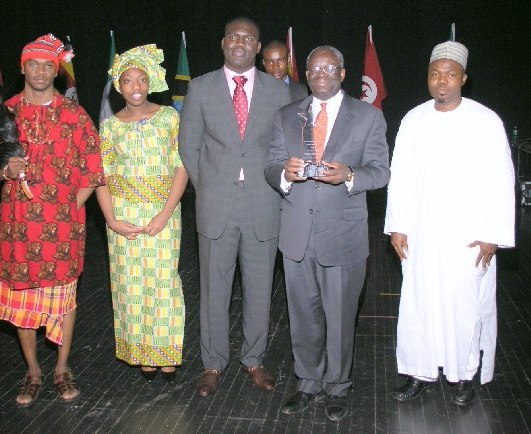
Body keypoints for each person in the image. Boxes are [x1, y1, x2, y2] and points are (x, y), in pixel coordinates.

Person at [384, 41, 515, 406]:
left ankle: (463, 376)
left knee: (464, 306)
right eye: (435, 74)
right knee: (419, 303)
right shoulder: (414, 119)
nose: (442, 82)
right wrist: (397, 225)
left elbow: (501, 180)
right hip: (422, 233)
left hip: (468, 236)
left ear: (463, 79)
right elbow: (401, 176)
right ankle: (419, 372)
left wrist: (494, 235)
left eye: (450, 74)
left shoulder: (486, 121)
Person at [265, 45, 390, 421]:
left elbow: (381, 171)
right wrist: (284, 174)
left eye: (329, 67)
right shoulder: (287, 115)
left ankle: (338, 386)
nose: (321, 73)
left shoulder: (367, 117)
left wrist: (350, 175)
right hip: (297, 234)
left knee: (339, 316)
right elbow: (270, 165)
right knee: (303, 315)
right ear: (305, 73)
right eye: (314, 68)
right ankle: (307, 381)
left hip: (343, 235)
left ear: (342, 72)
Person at [0, 34, 105, 407]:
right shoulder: (5, 113)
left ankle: (62, 369)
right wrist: (4, 171)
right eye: (32, 63)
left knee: (64, 300)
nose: (40, 70)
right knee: (22, 304)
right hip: (17, 227)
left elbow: (94, 170)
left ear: (57, 69)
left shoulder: (74, 115)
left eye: (47, 64)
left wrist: (71, 207)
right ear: (22, 67)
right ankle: (33, 372)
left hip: (63, 228)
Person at [178, 16, 289, 397]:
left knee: (259, 288)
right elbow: (188, 147)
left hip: (263, 204)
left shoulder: (279, 92)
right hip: (216, 206)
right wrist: (209, 187)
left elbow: (285, 147)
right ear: (223, 43)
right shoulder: (201, 88)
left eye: (248, 38)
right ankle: (212, 363)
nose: (240, 42)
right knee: (213, 288)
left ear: (258, 48)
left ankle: (254, 359)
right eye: (233, 37)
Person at [96, 45, 188, 380]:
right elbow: (100, 177)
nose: (135, 86)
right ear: (119, 87)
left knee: (163, 281)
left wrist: (165, 213)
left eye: (142, 80)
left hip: (163, 212)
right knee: (129, 286)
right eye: (128, 80)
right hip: (122, 215)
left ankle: (166, 350)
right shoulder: (109, 127)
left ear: (151, 83)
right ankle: (141, 352)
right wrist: (111, 220)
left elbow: (182, 168)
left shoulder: (170, 118)